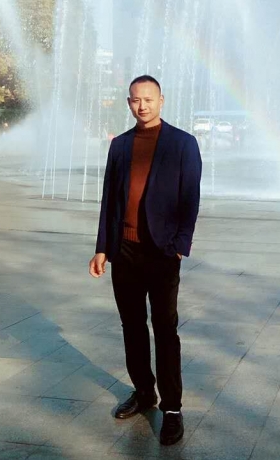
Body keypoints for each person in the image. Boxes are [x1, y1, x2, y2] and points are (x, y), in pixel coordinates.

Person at [89, 75, 202, 446]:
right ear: (129, 103)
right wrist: (103, 247)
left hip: (162, 252)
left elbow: (190, 197)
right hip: (125, 250)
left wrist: (180, 244)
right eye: (136, 100)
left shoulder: (183, 143)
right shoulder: (120, 145)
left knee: (165, 329)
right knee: (132, 326)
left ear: (161, 100)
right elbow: (110, 198)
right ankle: (143, 392)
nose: (143, 106)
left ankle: (172, 408)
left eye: (149, 99)